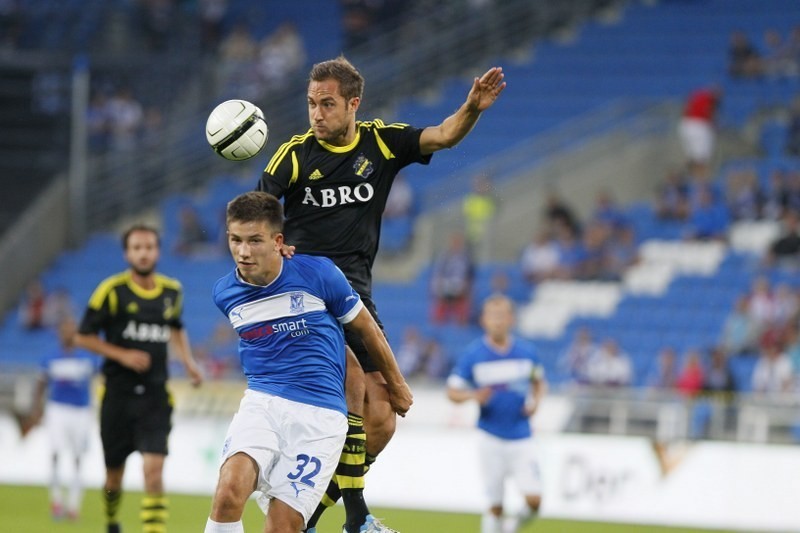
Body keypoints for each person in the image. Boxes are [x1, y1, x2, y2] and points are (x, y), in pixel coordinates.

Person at [257, 55, 505, 532]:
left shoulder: (382, 143)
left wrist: (472, 107)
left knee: (383, 421)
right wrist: (273, 242)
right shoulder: (292, 156)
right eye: (310, 103)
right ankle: (357, 518)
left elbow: (444, 134)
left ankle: (301, 513)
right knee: (353, 392)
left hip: (356, 297)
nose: (316, 114)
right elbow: (258, 215)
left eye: (326, 104)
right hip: (305, 296)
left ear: (353, 103)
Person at [205, 191, 412, 533]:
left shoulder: (319, 274)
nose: (243, 252)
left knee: (282, 527)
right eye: (235, 240)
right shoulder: (224, 293)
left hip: (320, 419)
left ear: (278, 241)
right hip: (263, 403)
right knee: (229, 489)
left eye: (255, 240)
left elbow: (367, 330)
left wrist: (398, 385)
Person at [74, 224, 204, 533]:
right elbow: (83, 337)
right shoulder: (112, 290)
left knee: (154, 470)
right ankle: (112, 519)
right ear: (127, 253)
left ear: (157, 251)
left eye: (148, 247)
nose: (143, 253)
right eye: (137, 248)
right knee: (113, 478)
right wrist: (122, 355)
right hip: (117, 396)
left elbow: (175, 327)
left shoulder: (172, 291)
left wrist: (188, 362)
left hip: (155, 396)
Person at [446, 294, 546, 533]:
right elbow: (451, 391)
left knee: (534, 500)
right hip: (490, 437)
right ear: (484, 320)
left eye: (502, 316)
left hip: (522, 436)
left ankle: (511, 527)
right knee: (495, 505)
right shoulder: (474, 355)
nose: (497, 321)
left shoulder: (527, 353)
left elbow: (539, 382)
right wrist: (473, 396)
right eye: (493, 316)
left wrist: (536, 402)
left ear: (511, 319)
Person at [29, 317, 100, 522]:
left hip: (81, 412)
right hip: (57, 409)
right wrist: (37, 410)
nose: (68, 333)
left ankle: (74, 505)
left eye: (71, 330)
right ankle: (57, 500)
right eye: (65, 330)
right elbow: (40, 384)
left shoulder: (87, 358)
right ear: (59, 333)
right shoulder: (50, 358)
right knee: (55, 454)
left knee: (78, 458)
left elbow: (100, 380)